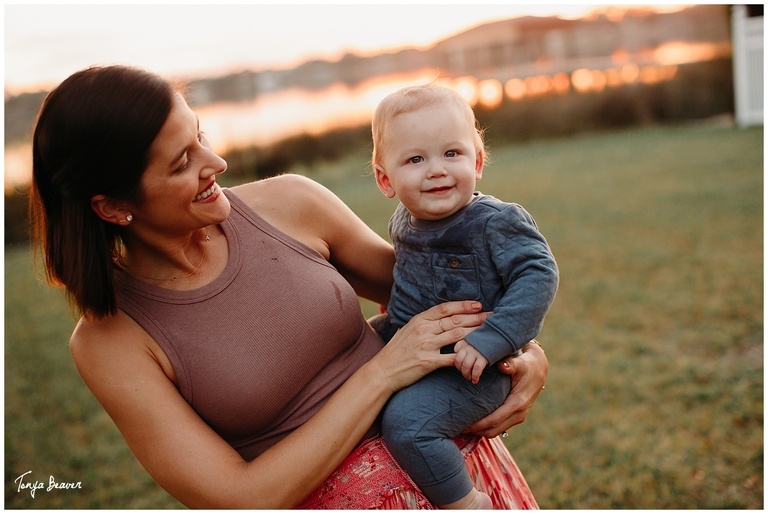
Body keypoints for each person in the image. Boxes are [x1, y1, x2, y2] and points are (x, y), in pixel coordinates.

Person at [29, 65, 549, 509]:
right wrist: (382, 374)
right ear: (114, 206)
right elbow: (240, 499)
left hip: (463, 484)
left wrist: (524, 356)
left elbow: (441, 297)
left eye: (200, 137)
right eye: (182, 163)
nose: (217, 165)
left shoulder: (290, 202)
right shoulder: (110, 341)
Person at [370, 83, 559, 509]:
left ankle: (464, 502)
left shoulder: (494, 222)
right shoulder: (404, 220)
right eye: (416, 159)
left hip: (474, 367)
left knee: (408, 425)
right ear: (386, 179)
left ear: (477, 160)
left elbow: (538, 274)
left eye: (451, 154)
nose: (436, 169)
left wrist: (492, 339)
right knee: (346, 351)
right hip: (409, 338)